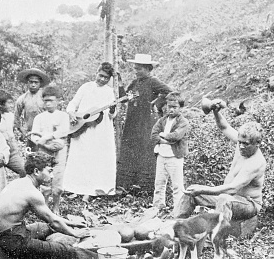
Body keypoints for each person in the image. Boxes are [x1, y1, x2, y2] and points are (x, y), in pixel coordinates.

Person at [0, 152, 89, 259]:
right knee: (64, 251)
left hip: (5, 235)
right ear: (36, 171)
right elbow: (54, 222)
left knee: (43, 227)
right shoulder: (32, 193)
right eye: (49, 171)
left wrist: (72, 223)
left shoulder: (20, 182)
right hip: (12, 242)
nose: (52, 176)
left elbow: (51, 218)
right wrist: (75, 233)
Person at [175, 99, 266, 222]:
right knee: (191, 192)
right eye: (239, 142)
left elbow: (233, 188)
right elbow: (224, 127)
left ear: (257, 143)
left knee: (223, 199)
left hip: (248, 204)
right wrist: (216, 111)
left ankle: (214, 238)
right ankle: (175, 226)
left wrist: (203, 189)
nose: (241, 146)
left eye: (246, 144)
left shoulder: (256, 162)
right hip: (229, 197)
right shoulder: (242, 144)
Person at [116, 54, 172, 193]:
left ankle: (145, 187)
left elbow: (171, 92)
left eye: (139, 69)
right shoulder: (135, 83)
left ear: (148, 69)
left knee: (145, 151)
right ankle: (127, 186)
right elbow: (125, 98)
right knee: (131, 150)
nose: (136, 71)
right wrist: (119, 82)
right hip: (132, 121)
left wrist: (157, 104)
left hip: (146, 122)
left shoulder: (153, 81)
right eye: (135, 68)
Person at [64, 62, 117, 202]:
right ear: (96, 73)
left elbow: (112, 115)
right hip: (82, 127)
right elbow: (73, 103)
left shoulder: (109, 91)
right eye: (101, 76)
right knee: (80, 157)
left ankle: (92, 191)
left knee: (95, 158)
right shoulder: (86, 87)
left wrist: (112, 109)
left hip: (100, 130)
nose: (102, 79)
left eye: (106, 78)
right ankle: (76, 188)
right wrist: (71, 113)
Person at [30, 85, 69, 214]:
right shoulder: (39, 118)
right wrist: (45, 144)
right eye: (45, 100)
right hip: (44, 152)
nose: (48, 104)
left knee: (57, 180)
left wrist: (49, 137)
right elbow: (34, 135)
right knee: (45, 179)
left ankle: (56, 206)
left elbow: (63, 131)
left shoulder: (63, 116)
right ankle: (44, 207)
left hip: (59, 152)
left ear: (58, 100)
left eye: (51, 100)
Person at [151, 91, 190, 217]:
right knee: (159, 184)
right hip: (161, 155)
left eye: (175, 107)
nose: (171, 110)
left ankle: (178, 211)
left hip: (175, 156)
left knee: (177, 186)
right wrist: (164, 140)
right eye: (169, 107)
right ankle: (157, 209)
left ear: (181, 108)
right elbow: (153, 135)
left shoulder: (183, 122)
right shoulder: (162, 120)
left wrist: (163, 136)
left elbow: (176, 136)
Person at [0, 90, 26, 177]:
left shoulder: (10, 116)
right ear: (0, 105)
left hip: (12, 152)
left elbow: (14, 129)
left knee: (25, 171)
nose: (12, 105)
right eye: (9, 103)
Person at [14, 68, 50, 152]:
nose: (33, 85)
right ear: (27, 82)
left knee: (46, 156)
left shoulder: (45, 96)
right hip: (30, 132)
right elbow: (16, 117)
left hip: (45, 131)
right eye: (31, 82)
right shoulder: (22, 98)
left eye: (36, 82)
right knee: (31, 156)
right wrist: (22, 130)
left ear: (40, 83)